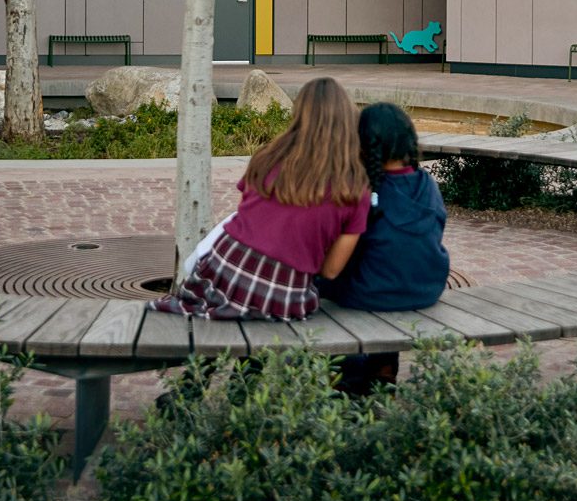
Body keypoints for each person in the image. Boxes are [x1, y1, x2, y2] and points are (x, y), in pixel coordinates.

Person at [153, 76, 367, 321]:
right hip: (283, 295)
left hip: (225, 271)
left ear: (299, 115)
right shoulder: (354, 187)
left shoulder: (268, 157)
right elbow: (331, 270)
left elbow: (248, 217)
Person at [319, 101, 450, 392]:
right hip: (426, 288)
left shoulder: (361, 188)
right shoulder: (427, 184)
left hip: (372, 292)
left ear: (362, 144)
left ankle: (348, 377)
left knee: (324, 280)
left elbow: (339, 256)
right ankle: (384, 371)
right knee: (388, 265)